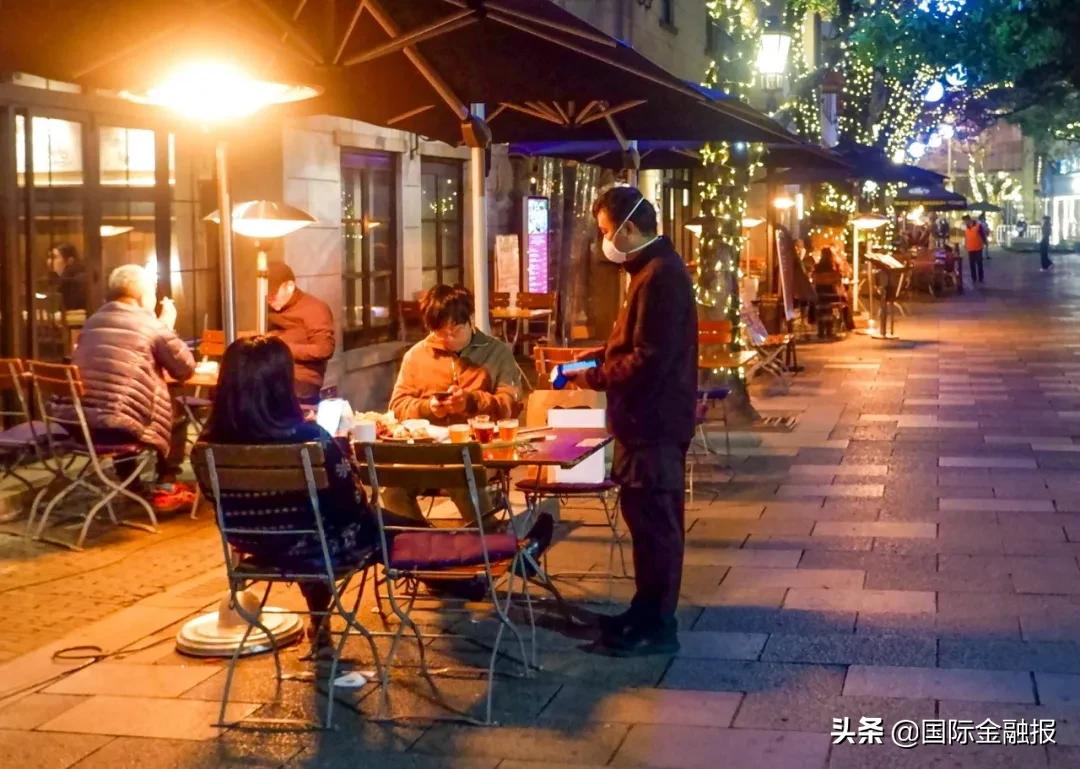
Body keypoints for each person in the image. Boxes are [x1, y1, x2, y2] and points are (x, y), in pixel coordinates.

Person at [199, 335, 418, 654]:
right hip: (323, 546)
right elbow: (349, 503)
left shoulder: (206, 446)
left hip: (255, 544)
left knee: (313, 526)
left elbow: (216, 503)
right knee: (402, 528)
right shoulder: (309, 439)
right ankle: (471, 578)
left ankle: (320, 624)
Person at [564, 186, 695, 657]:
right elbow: (633, 343)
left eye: (605, 232)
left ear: (628, 229)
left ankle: (658, 625)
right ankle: (643, 612)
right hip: (643, 423)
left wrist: (596, 376)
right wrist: (597, 356)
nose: (604, 242)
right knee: (643, 521)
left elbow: (648, 358)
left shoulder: (660, 276)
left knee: (656, 525)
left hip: (654, 423)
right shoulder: (648, 271)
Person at [53, 264, 196, 511]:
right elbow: (184, 369)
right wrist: (166, 325)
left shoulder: (92, 322)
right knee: (176, 415)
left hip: (80, 427)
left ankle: (130, 484)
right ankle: (166, 481)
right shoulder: (151, 325)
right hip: (115, 430)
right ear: (143, 295)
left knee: (122, 406)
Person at [386, 284, 522, 526]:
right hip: (426, 451)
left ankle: (491, 541)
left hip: (479, 449)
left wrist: (470, 402)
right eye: (440, 332)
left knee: (461, 474)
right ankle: (420, 542)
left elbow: (509, 404)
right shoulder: (417, 356)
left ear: (469, 320)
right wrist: (429, 407)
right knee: (392, 488)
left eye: (455, 331)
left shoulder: (496, 352)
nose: (448, 339)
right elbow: (398, 404)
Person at [266, 262, 335, 406]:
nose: (270, 300)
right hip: (269, 374)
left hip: (301, 380)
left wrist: (282, 347)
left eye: (273, 294)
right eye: (266, 296)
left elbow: (324, 349)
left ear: (290, 286)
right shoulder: (266, 310)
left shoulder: (315, 309)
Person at [813, 247, 857, 332]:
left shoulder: (816, 268)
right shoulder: (834, 269)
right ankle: (847, 325)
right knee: (845, 301)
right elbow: (838, 282)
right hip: (833, 297)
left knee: (821, 304)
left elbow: (813, 282)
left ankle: (821, 328)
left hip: (819, 297)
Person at [48, 243, 88, 312]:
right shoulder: (58, 280)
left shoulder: (73, 281)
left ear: (70, 261)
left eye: (54, 257)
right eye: (48, 257)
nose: (49, 261)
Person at [963, 215, 986, 284]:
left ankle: (981, 278)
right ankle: (974, 278)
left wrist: (985, 241)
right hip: (970, 249)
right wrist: (965, 245)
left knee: (979, 263)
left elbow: (982, 234)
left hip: (978, 248)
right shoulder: (966, 228)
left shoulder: (978, 226)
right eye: (964, 221)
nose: (965, 222)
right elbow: (966, 237)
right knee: (972, 264)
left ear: (969, 220)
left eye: (966, 221)